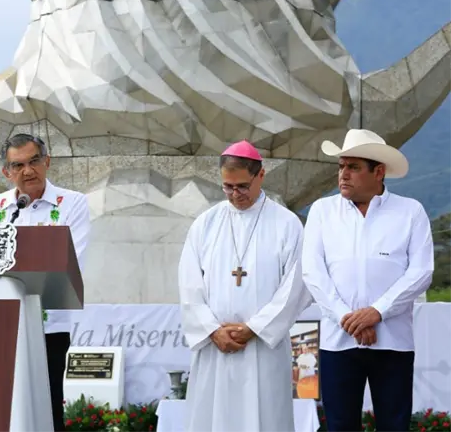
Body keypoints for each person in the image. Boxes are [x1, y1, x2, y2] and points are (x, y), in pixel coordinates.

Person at [301, 129, 434, 432]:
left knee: (394, 425)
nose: (343, 174)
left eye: (353, 167)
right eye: (341, 166)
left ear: (379, 172)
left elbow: (421, 272)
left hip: (393, 341)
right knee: (339, 425)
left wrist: (376, 312)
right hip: (339, 341)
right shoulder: (323, 211)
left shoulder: (410, 211)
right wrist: (348, 319)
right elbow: (312, 271)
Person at [178, 141, 312, 432]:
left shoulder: (287, 224)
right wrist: (213, 330)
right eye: (227, 187)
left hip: (263, 347)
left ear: (260, 175)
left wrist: (255, 328)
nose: (235, 195)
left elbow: (297, 285)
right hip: (215, 348)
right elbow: (188, 285)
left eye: (242, 186)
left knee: (264, 419)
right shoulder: (206, 223)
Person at [0, 133, 90, 431]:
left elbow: (71, 261)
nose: (28, 171)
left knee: (47, 405)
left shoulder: (73, 203)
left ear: (47, 162)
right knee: (2, 408)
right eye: (18, 165)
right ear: (6, 172)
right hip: (0, 324)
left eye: (34, 161)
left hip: (50, 325)